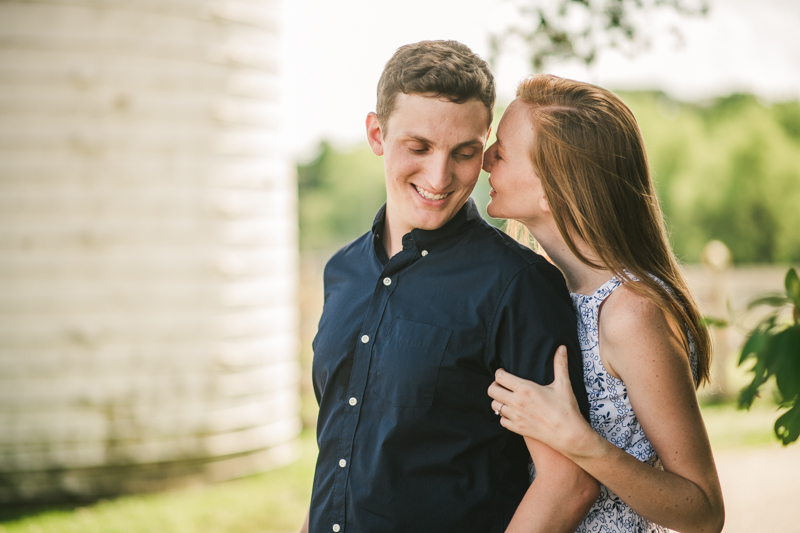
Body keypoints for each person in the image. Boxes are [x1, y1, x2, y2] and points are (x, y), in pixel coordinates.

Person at [301, 42, 599, 533]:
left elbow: (569, 483)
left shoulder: (518, 286)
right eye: (418, 148)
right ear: (377, 133)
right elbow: (338, 453)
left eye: (463, 153)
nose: (439, 177)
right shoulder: (342, 272)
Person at [485, 74, 725, 533]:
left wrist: (577, 441)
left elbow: (704, 510)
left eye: (502, 151)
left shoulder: (631, 312)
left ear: (553, 190)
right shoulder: (546, 285)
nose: (484, 160)